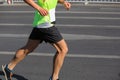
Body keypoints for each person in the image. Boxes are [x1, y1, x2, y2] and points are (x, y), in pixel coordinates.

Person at [2, 0, 71, 80]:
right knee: (63, 50)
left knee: (27, 49)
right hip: (46, 24)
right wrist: (38, 8)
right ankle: (54, 78)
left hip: (40, 24)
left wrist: (64, 2)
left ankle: (8, 68)